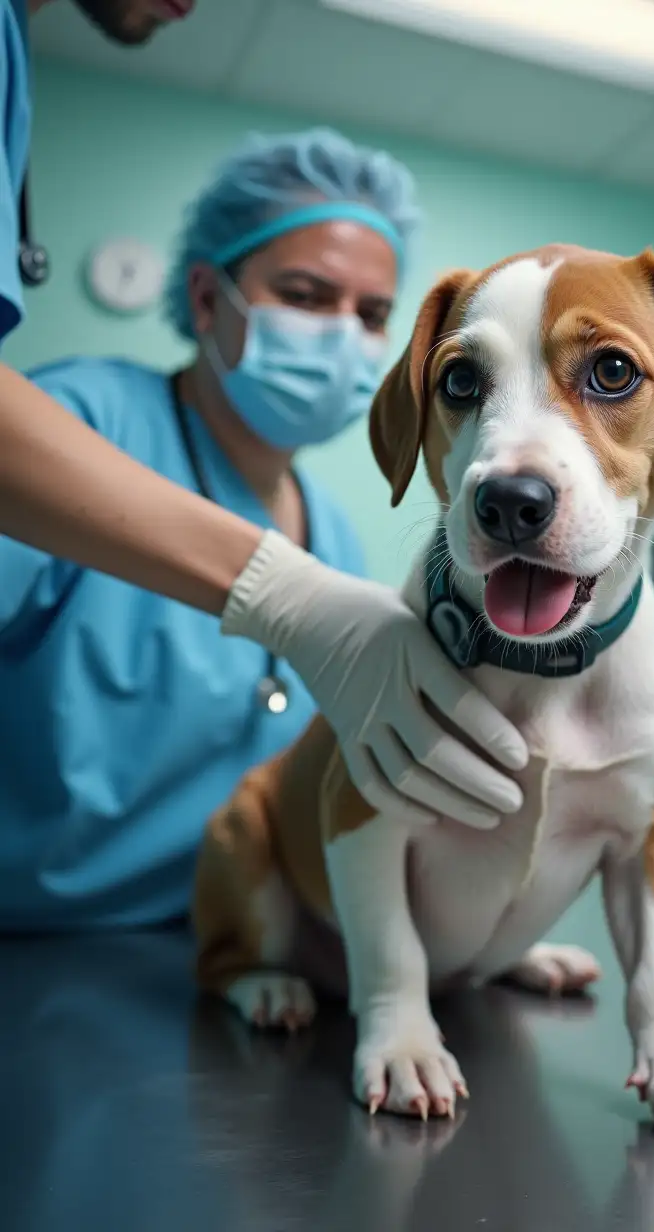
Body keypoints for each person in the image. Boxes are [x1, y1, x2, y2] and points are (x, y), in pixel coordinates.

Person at [0, 1, 529, 870]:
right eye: (309, 296)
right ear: (209, 301)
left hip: (228, 944)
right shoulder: (81, 422)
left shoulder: (333, 528)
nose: (345, 337)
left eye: (372, 315)